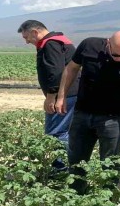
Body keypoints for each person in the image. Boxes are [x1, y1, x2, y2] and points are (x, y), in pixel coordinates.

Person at [55, 30, 120, 193]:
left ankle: (110, 203)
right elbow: (71, 69)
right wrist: (61, 96)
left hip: (113, 119)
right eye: (117, 54)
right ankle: (75, 196)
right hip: (82, 114)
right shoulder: (89, 45)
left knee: (110, 164)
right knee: (76, 161)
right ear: (108, 42)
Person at [17, 20, 80, 171]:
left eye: (27, 37)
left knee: (56, 132)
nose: (27, 42)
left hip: (65, 95)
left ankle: (60, 168)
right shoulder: (61, 41)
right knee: (66, 131)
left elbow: (55, 72)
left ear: (35, 32)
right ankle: (69, 166)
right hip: (72, 93)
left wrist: (52, 97)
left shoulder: (50, 44)